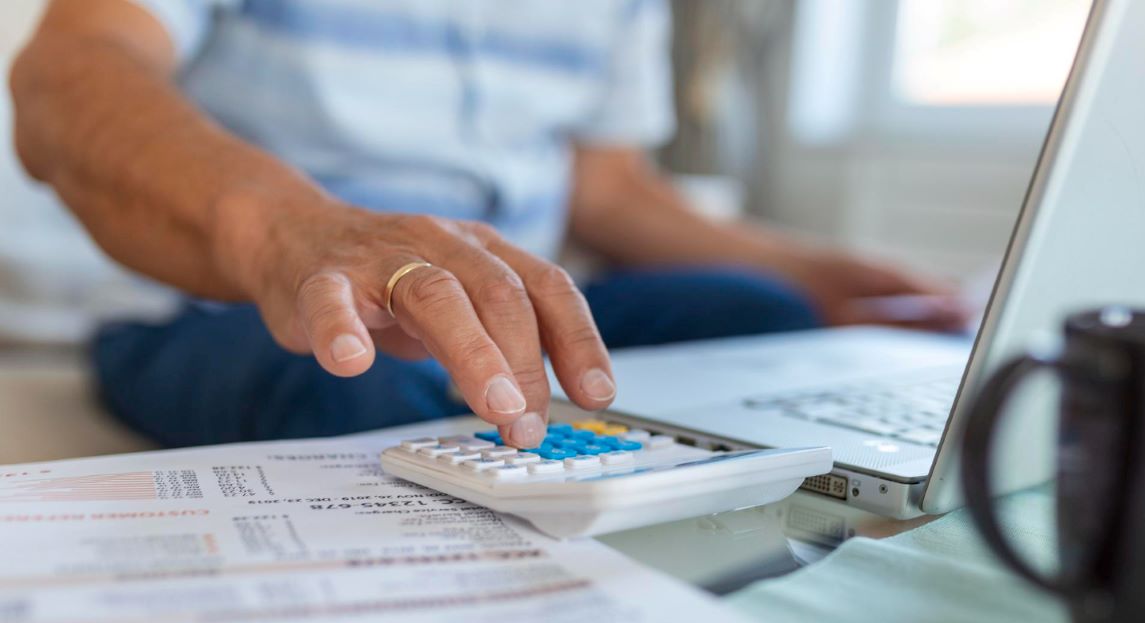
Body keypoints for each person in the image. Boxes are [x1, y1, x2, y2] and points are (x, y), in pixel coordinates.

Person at [10, 0, 963, 451]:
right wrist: (291, 232)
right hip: (237, 310)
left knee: (766, 315)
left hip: (507, 303)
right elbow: (63, 77)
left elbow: (610, 191)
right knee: (353, 393)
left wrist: (822, 271)